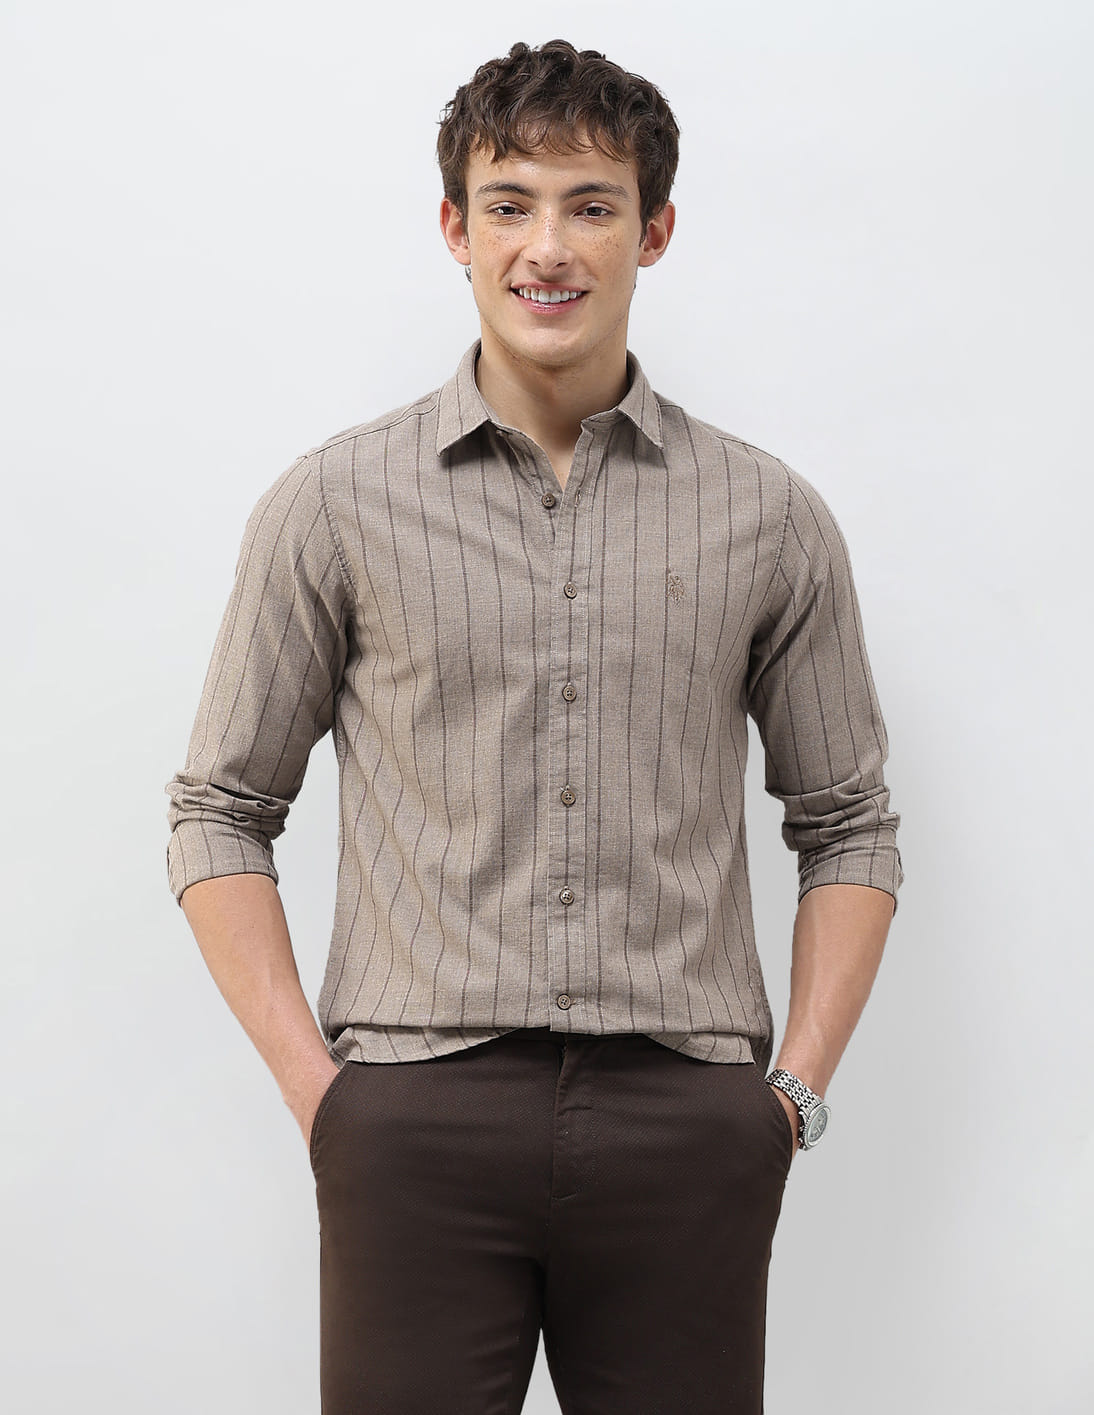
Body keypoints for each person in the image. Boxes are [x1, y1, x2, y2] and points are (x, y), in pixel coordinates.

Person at [165, 37, 903, 1415]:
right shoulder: (334, 505)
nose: (546, 247)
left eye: (590, 204)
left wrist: (787, 1096)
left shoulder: (768, 517)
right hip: (412, 1116)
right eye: (508, 204)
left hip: (687, 1121)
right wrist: (323, 1096)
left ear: (654, 230)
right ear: (455, 227)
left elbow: (848, 824)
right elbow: (218, 808)